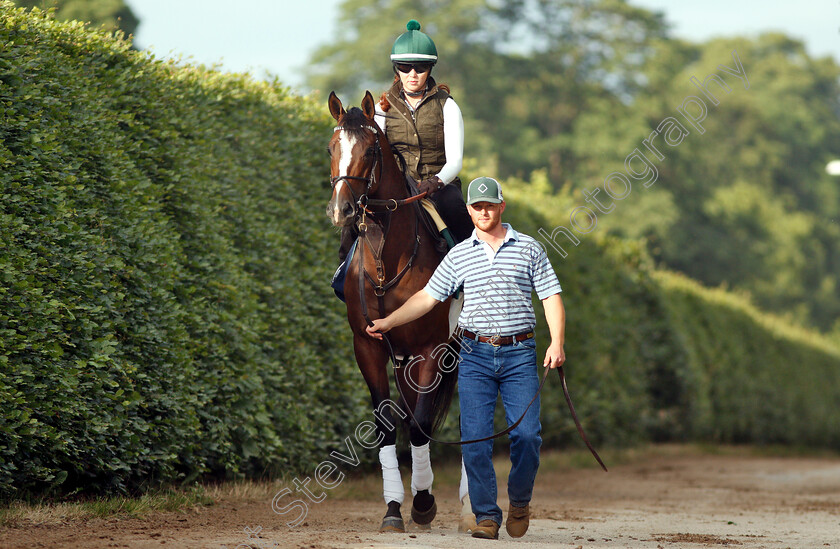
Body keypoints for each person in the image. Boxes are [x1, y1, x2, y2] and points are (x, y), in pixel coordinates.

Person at [366, 177, 566, 540]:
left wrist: (557, 342)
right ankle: (486, 515)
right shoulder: (459, 254)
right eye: (477, 206)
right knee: (474, 440)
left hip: (520, 353)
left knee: (527, 436)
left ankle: (519, 501)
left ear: (502, 206)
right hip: (473, 354)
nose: (483, 211)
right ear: (469, 210)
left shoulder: (530, 248)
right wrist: (389, 321)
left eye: (490, 205)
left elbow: (550, 295)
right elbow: (427, 297)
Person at [336, 19, 473, 268]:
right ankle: (344, 272)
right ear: (396, 69)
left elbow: (456, 161)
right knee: (353, 214)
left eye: (420, 67)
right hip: (397, 187)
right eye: (405, 67)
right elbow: (372, 154)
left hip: (437, 187)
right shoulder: (380, 109)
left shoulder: (448, 106)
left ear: (430, 69)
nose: (412, 74)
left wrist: (433, 183)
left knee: (455, 207)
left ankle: (472, 271)